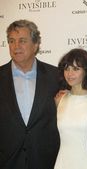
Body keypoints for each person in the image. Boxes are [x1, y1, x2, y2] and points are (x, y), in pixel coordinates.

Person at [0, 19, 60, 169]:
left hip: (46, 161)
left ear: (35, 44)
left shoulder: (56, 76)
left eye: (22, 41)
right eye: (12, 41)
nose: (16, 46)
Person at [54, 48, 87, 169]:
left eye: (75, 69)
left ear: (86, 71)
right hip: (62, 163)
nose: (70, 73)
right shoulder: (60, 99)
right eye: (67, 69)